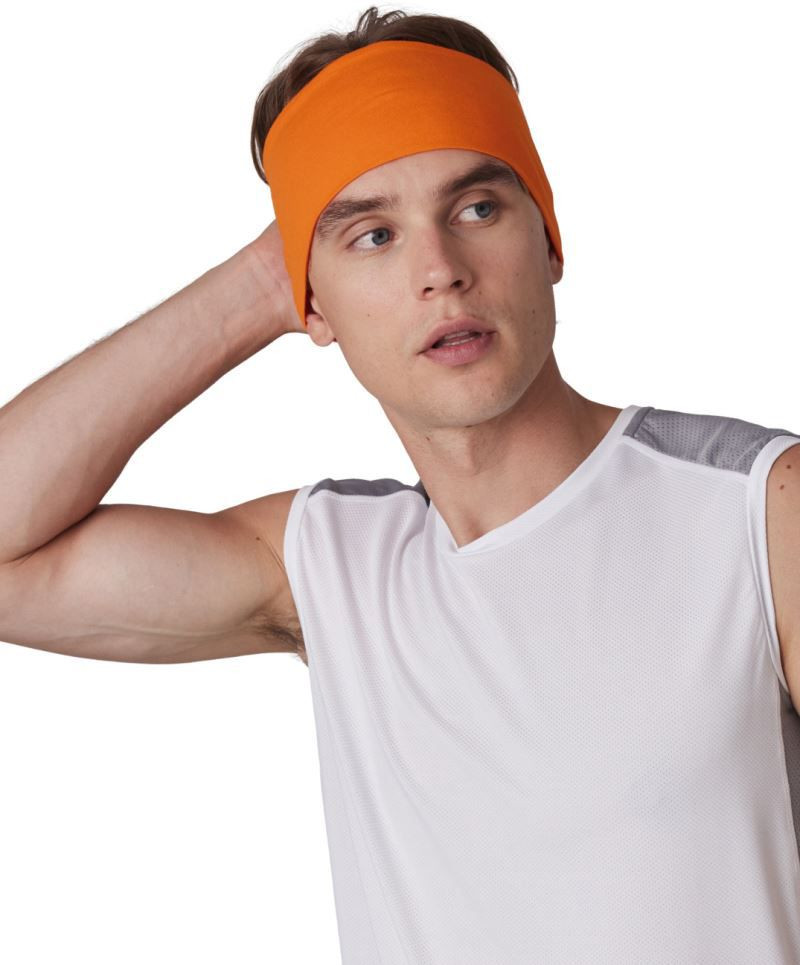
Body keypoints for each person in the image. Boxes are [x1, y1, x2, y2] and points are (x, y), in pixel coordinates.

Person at [1, 6, 799, 963]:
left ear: (548, 240)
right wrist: (260, 284)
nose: (440, 272)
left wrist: (336, 235)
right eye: (373, 236)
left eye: (478, 208)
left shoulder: (757, 508)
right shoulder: (331, 568)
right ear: (312, 303)